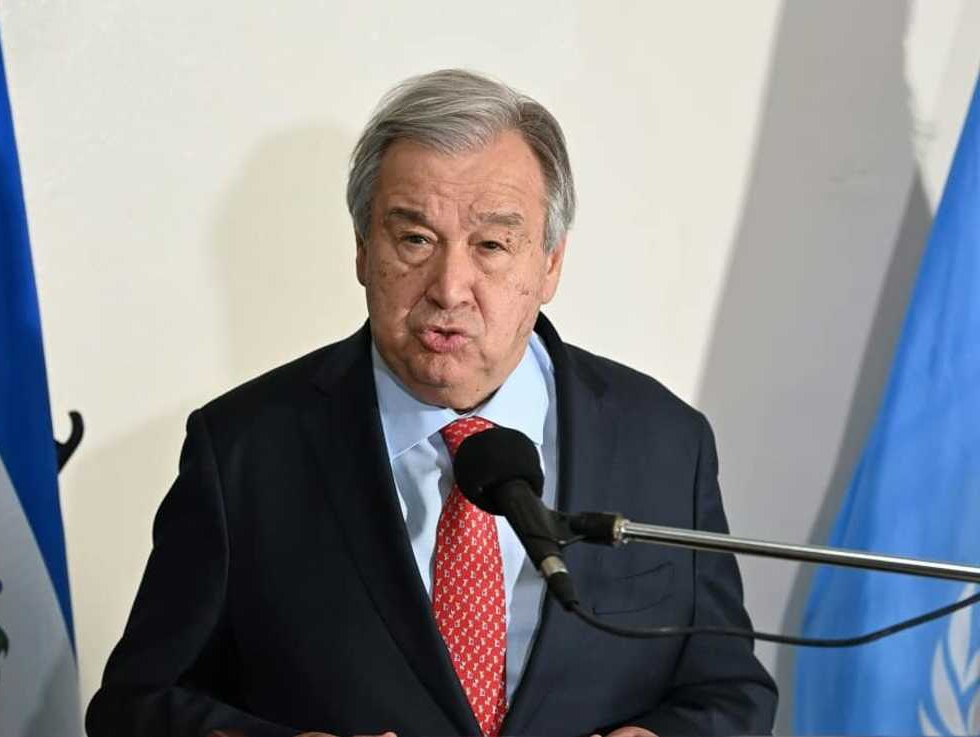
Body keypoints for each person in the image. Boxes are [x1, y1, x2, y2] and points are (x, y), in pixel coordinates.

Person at [86, 69, 778, 737]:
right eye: (415, 238)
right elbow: (134, 706)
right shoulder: (242, 448)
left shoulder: (664, 441)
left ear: (550, 263)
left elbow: (728, 690)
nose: (450, 286)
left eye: (493, 245)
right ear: (362, 249)